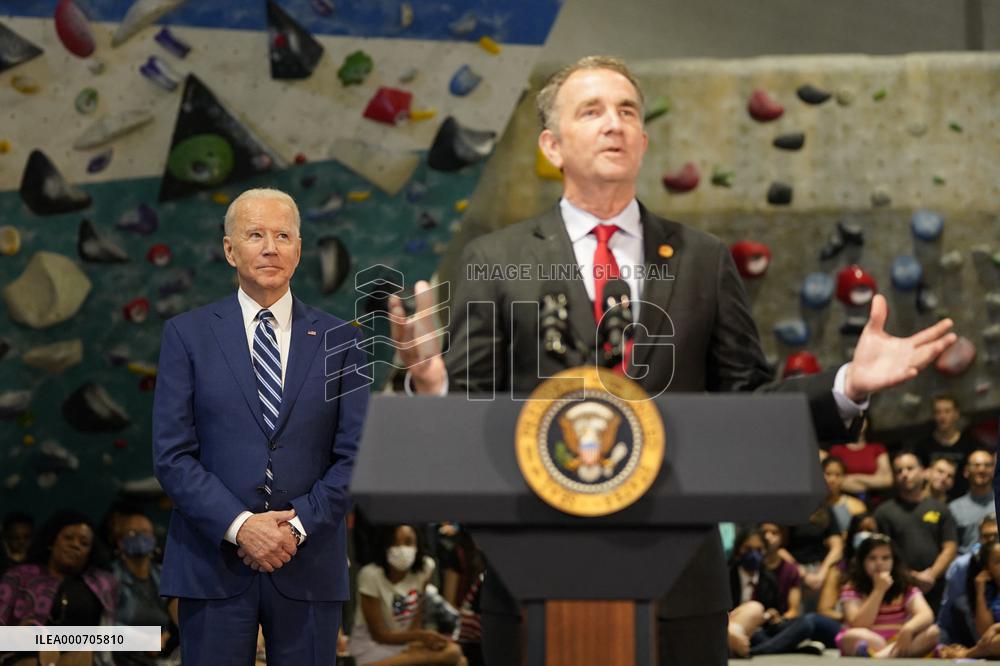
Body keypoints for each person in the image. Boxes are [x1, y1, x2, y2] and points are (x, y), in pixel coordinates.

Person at [389, 55, 957, 665]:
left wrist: (847, 383)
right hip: (537, 573)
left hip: (680, 581)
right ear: (551, 145)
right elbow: (469, 416)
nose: (615, 123)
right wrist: (433, 385)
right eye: (592, 111)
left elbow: (747, 403)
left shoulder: (701, 259)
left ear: (644, 139)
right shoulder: (495, 260)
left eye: (627, 111)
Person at [152, 187, 370, 666]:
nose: (270, 247)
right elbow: (172, 456)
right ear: (230, 249)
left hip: (308, 564)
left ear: (298, 248)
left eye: (283, 235)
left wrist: (295, 529)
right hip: (212, 565)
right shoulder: (186, 335)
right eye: (255, 235)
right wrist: (241, 526)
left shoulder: (343, 341)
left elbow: (357, 455)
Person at [0, 510, 117, 666]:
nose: (75, 545)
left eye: (84, 543)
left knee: (82, 652)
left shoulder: (102, 584)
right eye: (68, 538)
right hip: (26, 655)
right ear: (51, 541)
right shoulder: (19, 577)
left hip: (80, 656)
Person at [349, 525, 465, 665]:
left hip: (404, 641)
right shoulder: (370, 575)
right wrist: (422, 636)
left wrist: (420, 641)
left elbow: (415, 620)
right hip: (372, 645)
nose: (402, 549)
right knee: (451, 657)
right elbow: (379, 634)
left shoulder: (425, 569)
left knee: (456, 655)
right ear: (385, 545)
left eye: (408, 542)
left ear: (418, 544)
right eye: (394, 543)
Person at [874, 450, 958, 612]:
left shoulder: (940, 509)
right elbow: (884, 553)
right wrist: (912, 577)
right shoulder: (883, 512)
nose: (905, 474)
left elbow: (950, 547)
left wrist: (931, 576)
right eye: (899, 470)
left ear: (922, 471)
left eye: (910, 468)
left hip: (938, 586)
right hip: (900, 587)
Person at [836, 533, 940, 657]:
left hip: (899, 640)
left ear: (893, 561)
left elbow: (926, 614)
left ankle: (880, 657)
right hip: (870, 639)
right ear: (862, 562)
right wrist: (878, 590)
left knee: (933, 632)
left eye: (885, 558)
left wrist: (909, 628)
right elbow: (859, 624)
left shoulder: (905, 587)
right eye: (872, 558)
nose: (879, 563)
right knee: (852, 635)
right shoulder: (852, 588)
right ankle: (888, 656)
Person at [110, 510, 177, 666]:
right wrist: (143, 640)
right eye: (133, 532)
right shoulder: (110, 578)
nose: (140, 537)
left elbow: (178, 617)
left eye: (146, 532)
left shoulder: (164, 575)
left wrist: (169, 635)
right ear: (120, 541)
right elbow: (104, 628)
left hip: (163, 654)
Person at [938, 513, 999, 646]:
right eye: (986, 536)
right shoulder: (962, 565)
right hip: (975, 625)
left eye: (996, 535)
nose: (992, 540)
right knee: (961, 603)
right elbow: (947, 608)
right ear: (979, 538)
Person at [915, 394, 978, 499]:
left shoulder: (969, 444)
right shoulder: (923, 445)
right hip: (931, 500)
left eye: (947, 411)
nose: (942, 416)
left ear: (956, 414)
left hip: (963, 499)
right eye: (938, 412)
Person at [827, 419, 892, 504]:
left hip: (875, 503)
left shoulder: (877, 448)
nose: (857, 421)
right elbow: (833, 481)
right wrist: (874, 481)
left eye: (861, 418)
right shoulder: (836, 450)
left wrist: (856, 478)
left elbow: (887, 480)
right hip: (845, 504)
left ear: (867, 421)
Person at [949, 449, 996, 554]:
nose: (982, 469)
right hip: (965, 567)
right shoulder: (954, 508)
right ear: (966, 471)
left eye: (987, 465)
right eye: (976, 465)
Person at [822, 457, 868, 533]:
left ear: (844, 477)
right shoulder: (811, 506)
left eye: (838, 475)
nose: (832, 480)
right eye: (828, 474)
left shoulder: (856, 506)